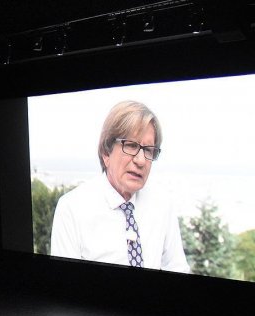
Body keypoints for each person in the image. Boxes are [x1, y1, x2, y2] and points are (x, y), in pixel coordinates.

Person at [50, 100, 189, 272]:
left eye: (148, 150)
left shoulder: (163, 204)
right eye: (130, 145)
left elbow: (177, 267)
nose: (140, 160)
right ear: (106, 153)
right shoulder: (72, 208)